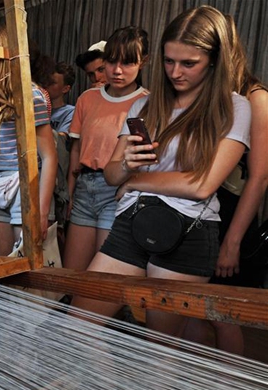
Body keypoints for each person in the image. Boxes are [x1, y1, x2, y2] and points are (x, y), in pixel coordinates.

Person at [71, 6, 251, 339]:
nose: (176, 72)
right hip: (133, 222)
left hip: (188, 231)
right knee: (78, 325)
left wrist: (137, 179)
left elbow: (202, 184)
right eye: (169, 61)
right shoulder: (145, 105)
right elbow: (112, 176)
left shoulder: (234, 107)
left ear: (215, 59)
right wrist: (127, 164)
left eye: (188, 63)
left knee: (159, 348)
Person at [181, 15, 268, 355]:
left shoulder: (256, 97)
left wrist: (232, 242)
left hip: (233, 216)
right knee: (186, 307)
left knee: (222, 314)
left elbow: (259, 177)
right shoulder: (204, 93)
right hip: (196, 212)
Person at [64, 27, 150, 272]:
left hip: (118, 190)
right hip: (84, 186)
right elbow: (76, 147)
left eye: (128, 62)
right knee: (73, 273)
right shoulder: (87, 98)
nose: (117, 70)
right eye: (111, 61)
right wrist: (69, 193)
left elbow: (145, 158)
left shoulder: (147, 103)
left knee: (105, 275)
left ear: (143, 62)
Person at [0, 21, 57, 256]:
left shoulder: (30, 94)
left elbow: (49, 157)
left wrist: (40, 211)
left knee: (31, 269)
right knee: (4, 266)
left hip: (27, 186)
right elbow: (5, 142)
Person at [48, 62, 76, 136]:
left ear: (65, 89)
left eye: (52, 83)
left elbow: (61, 138)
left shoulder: (70, 112)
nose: (47, 84)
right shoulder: (38, 107)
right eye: (47, 80)